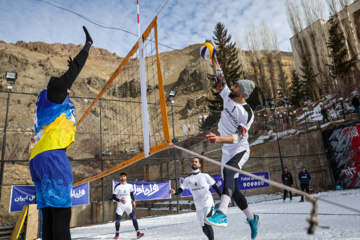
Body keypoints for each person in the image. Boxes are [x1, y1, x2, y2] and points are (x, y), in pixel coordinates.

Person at [29, 26, 93, 240]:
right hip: (52, 157)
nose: (68, 89)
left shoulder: (46, 104)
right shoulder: (53, 94)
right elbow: (73, 71)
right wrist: (87, 46)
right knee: (62, 216)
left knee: (48, 217)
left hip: (38, 158)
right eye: (64, 86)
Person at [204, 42, 260, 240]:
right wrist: (213, 56)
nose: (232, 86)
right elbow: (220, 76)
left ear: (242, 92)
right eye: (233, 84)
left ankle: (222, 214)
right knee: (234, 192)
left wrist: (218, 138)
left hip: (239, 148)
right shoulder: (227, 96)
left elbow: (238, 137)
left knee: (229, 170)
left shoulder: (247, 113)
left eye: (236, 85)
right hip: (226, 149)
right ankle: (253, 219)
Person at [169, 158, 222, 240]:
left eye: (196, 162)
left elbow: (216, 187)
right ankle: (212, 238)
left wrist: (223, 198)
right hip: (198, 205)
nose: (194, 163)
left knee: (207, 222)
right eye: (193, 161)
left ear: (199, 165)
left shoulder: (205, 176)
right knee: (203, 228)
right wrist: (173, 192)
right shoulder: (188, 179)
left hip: (208, 202)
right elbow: (180, 190)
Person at [113, 172, 144, 239]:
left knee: (134, 218)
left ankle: (138, 233)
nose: (122, 178)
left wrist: (134, 201)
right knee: (118, 220)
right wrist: (119, 200)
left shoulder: (129, 185)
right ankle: (117, 234)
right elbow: (113, 196)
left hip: (128, 205)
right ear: (119, 177)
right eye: (121, 176)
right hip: (120, 206)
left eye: (124, 176)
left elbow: (131, 194)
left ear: (126, 177)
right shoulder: (117, 186)